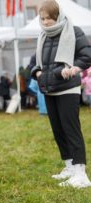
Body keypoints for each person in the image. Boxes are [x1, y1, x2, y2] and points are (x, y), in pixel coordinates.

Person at [31, 0, 91, 188]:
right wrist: (37, 72)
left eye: (50, 18)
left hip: (67, 88)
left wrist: (74, 69)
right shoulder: (43, 36)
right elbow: (34, 63)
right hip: (49, 89)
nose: (46, 22)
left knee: (71, 130)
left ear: (58, 16)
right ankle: (69, 167)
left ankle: (81, 173)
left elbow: (87, 55)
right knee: (58, 131)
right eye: (43, 18)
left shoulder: (74, 31)